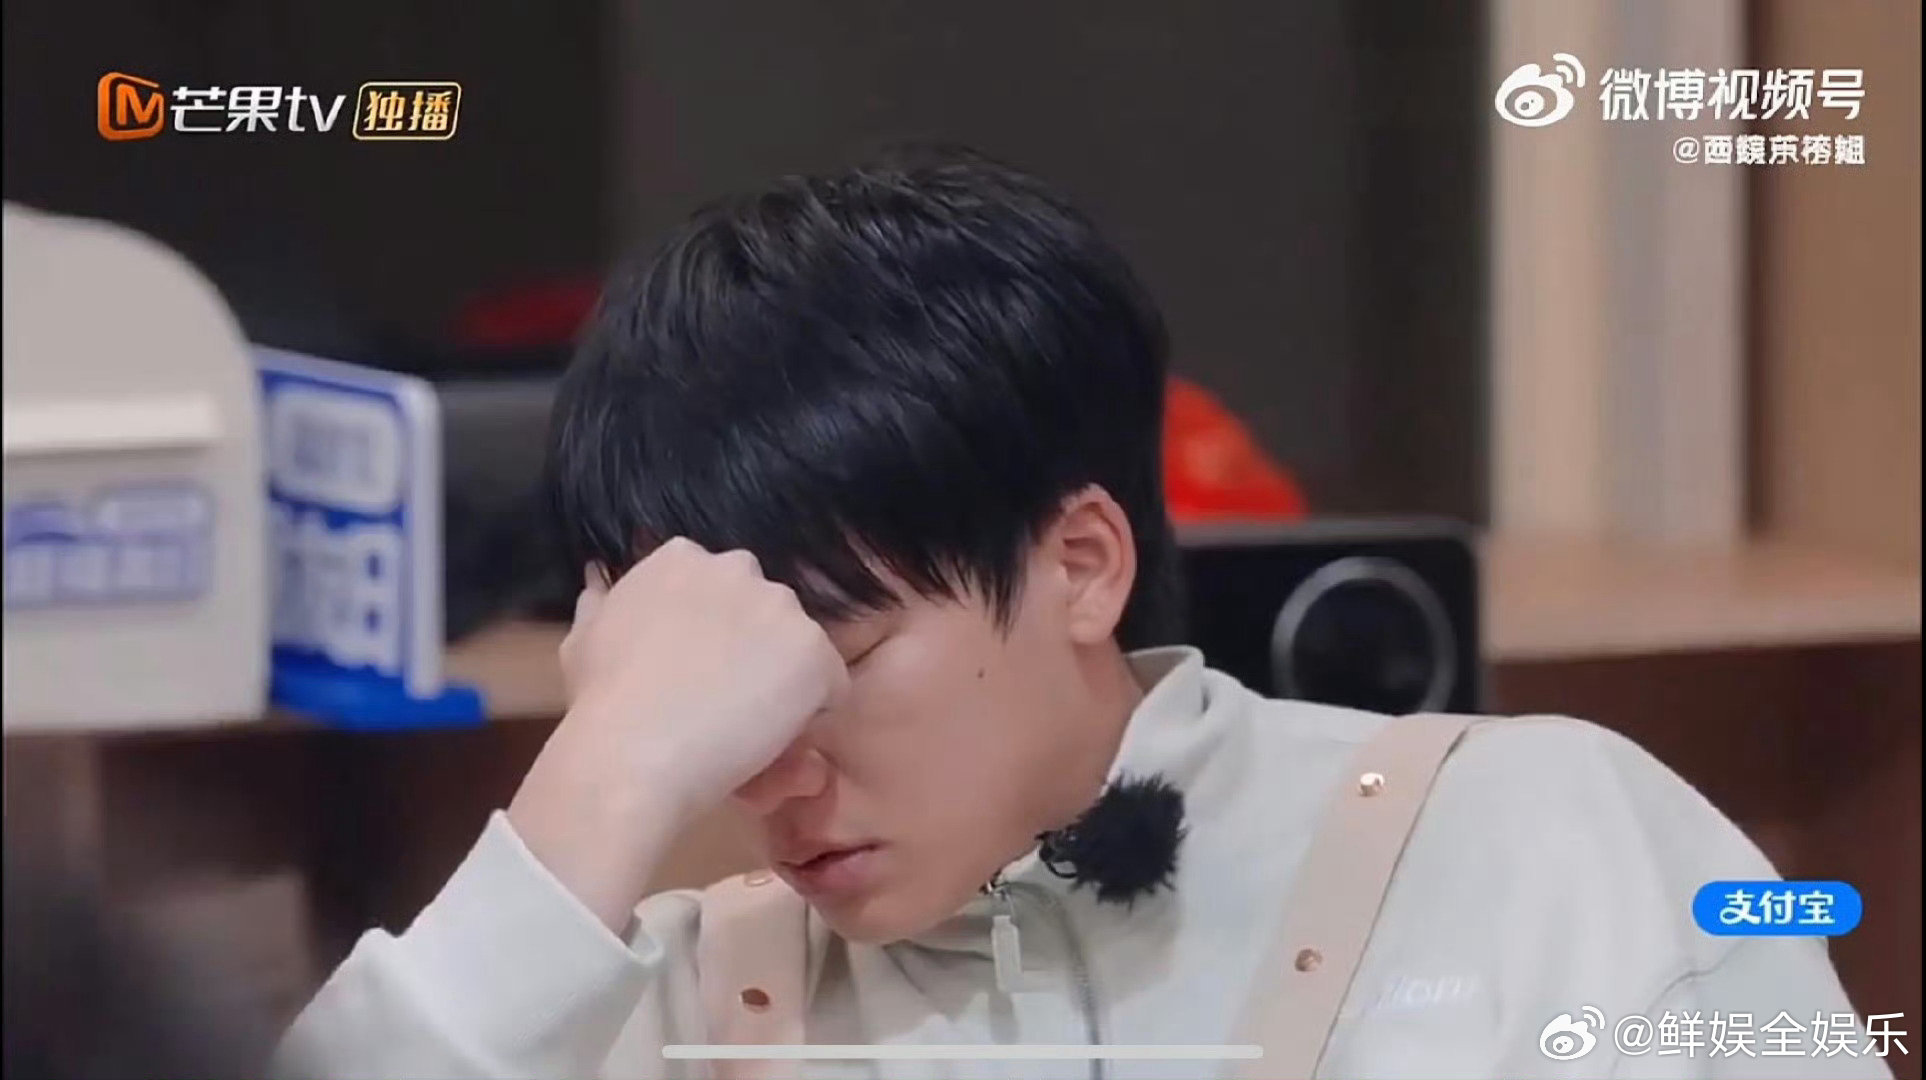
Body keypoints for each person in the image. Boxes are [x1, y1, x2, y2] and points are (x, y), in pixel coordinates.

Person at [274, 150, 1887, 1080]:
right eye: (718, 702)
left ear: (1081, 562)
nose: (773, 777)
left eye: (831, 665)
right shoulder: (657, 1014)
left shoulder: (1546, 846)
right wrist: (602, 784)